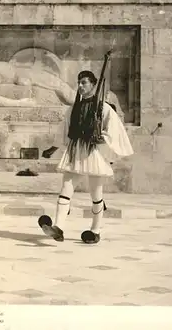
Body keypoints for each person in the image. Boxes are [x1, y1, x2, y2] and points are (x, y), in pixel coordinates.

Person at [39, 70, 134, 244]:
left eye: (84, 82)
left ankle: (95, 230)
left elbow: (114, 130)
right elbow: (64, 130)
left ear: (93, 85)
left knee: (96, 195)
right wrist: (53, 148)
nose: (80, 86)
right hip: (76, 152)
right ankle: (58, 228)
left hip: (93, 153)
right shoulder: (74, 108)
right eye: (79, 82)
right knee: (65, 190)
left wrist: (102, 138)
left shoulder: (103, 108)